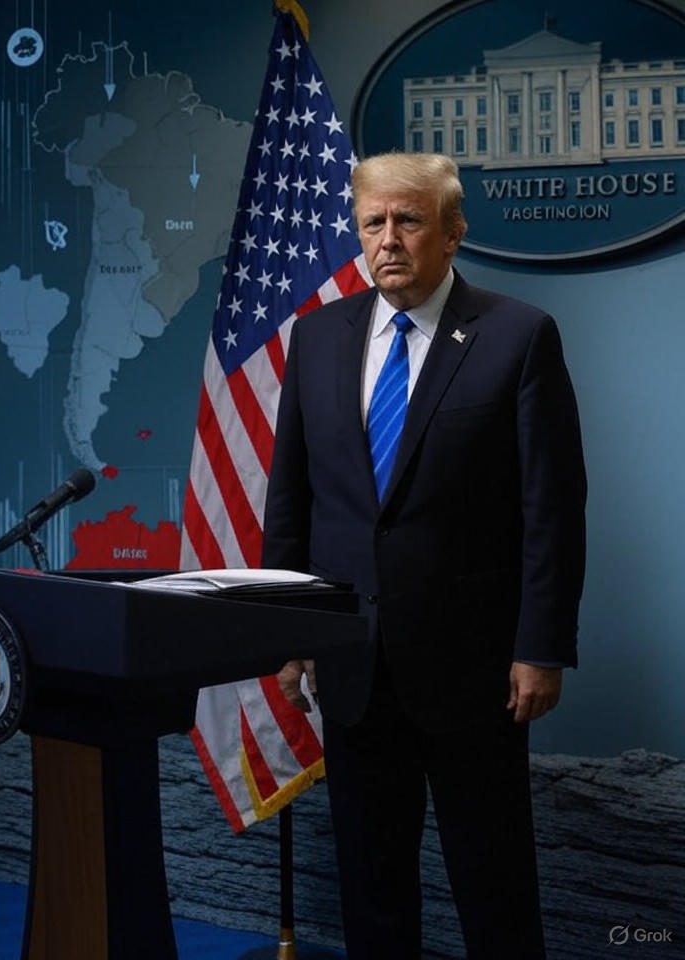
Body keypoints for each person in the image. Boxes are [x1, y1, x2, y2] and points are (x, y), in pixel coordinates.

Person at [262, 152, 586, 960]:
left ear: (452, 231)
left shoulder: (518, 336)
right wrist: (289, 632)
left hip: (478, 671)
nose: (388, 240)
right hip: (352, 662)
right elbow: (291, 500)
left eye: (408, 220)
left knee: (494, 887)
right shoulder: (318, 337)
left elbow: (551, 511)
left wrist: (540, 647)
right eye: (373, 222)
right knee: (371, 889)